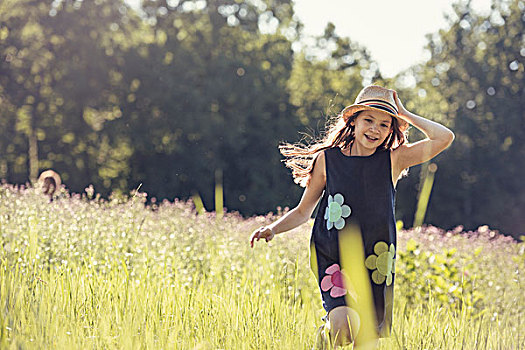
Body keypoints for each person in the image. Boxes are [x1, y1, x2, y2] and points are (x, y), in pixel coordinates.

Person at [249, 85, 454, 348]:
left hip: (377, 259)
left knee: (365, 341)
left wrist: (404, 114)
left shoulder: (394, 160)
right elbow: (303, 211)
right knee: (341, 329)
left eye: (383, 124)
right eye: (368, 120)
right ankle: (324, 338)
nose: (374, 129)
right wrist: (273, 229)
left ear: (391, 130)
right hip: (333, 255)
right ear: (353, 121)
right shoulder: (328, 160)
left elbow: (444, 138)